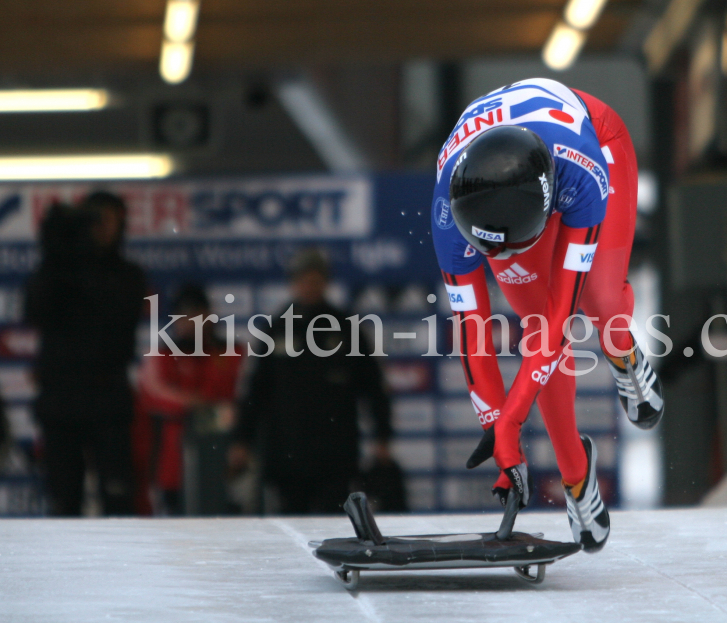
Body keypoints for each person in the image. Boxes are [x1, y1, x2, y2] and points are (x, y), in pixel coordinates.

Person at [430, 78, 663, 552]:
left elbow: (563, 322)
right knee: (536, 333)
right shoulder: (448, 215)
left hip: (598, 141)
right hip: (520, 189)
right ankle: (578, 476)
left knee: (597, 298)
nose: (512, 256)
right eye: (499, 251)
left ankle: (623, 352)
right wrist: (497, 430)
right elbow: (472, 334)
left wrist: (513, 421)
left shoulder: (583, 176)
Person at [228, 249, 393, 514]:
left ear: (326, 282)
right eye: (304, 280)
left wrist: (383, 436)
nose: (310, 287)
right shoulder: (275, 329)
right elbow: (255, 390)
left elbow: (374, 386)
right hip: (286, 452)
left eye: (316, 280)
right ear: (293, 283)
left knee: (333, 524)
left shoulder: (346, 328)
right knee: (289, 529)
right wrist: (241, 441)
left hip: (336, 453)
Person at [25, 194, 146, 516]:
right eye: (94, 220)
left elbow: (115, 315)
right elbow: (36, 312)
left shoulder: (127, 275)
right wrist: (56, 252)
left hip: (108, 397)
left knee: (118, 497)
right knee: (64, 501)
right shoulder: (56, 271)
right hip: (61, 399)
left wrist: (83, 259)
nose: (101, 228)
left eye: (109, 219)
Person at [134, 284, 243, 515]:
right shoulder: (163, 356)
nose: (193, 321)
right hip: (172, 464)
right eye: (186, 316)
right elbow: (154, 395)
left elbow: (232, 395)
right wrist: (192, 403)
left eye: (198, 314)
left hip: (224, 461)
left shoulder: (229, 352)